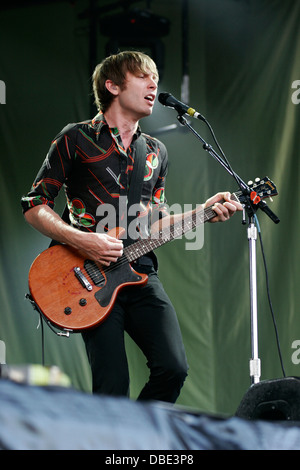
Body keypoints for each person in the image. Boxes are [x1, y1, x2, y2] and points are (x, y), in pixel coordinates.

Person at [21, 51, 242, 403]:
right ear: (112, 85)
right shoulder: (75, 138)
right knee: (112, 386)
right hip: (87, 274)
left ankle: (136, 442)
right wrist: (84, 241)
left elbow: (152, 223)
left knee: (174, 368)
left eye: (155, 77)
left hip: (139, 271)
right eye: (143, 76)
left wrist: (201, 212)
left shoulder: (156, 152)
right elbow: (35, 206)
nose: (154, 83)